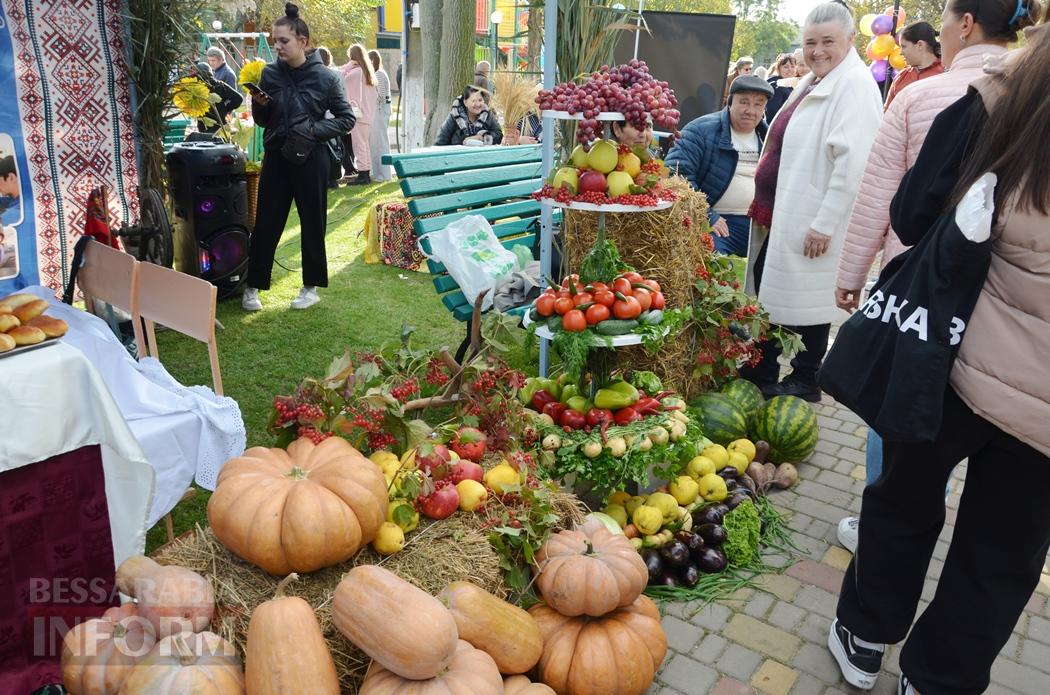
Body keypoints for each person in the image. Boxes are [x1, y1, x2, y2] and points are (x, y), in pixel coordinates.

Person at [829, 19, 1047, 695]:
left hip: (951, 352)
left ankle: (866, 634)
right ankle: (938, 680)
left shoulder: (1004, 94)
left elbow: (915, 210)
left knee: (902, 500)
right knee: (1003, 551)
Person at [833, 0, 1022, 555]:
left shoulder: (919, 96)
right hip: (1006, 309)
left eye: (943, 22)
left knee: (900, 407)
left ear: (965, 24)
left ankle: (883, 524)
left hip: (920, 295)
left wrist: (851, 275)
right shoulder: (1034, 100)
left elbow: (881, 201)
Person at [740, 2, 882, 401]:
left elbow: (853, 164)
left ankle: (806, 378)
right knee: (772, 290)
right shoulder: (817, 79)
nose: (817, 51)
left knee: (811, 301)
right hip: (784, 209)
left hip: (812, 216)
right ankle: (764, 367)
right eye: (810, 43)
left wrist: (825, 222)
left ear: (851, 41)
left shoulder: (853, 85)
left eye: (827, 42)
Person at [241, 2, 355, 312]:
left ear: (302, 41)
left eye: (283, 41)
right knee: (266, 221)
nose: (276, 46)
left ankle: (311, 287)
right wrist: (261, 104)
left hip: (311, 158)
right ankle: (253, 286)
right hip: (277, 156)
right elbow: (263, 120)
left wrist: (313, 130)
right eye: (275, 40)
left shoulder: (328, 78)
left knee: (313, 222)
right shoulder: (268, 74)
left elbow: (347, 119)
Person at [666, 75, 773, 256]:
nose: (750, 110)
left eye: (758, 104)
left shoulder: (770, 138)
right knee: (711, 260)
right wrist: (707, 215)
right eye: (744, 102)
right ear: (729, 103)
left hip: (760, 223)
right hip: (718, 221)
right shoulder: (699, 130)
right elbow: (676, 174)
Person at [883, 22, 944, 109]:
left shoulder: (947, 73)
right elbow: (887, 114)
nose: (900, 52)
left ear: (920, 45)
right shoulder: (900, 78)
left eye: (904, 46)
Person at [340, 44, 378, 185]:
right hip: (367, 114)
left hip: (358, 114)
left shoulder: (355, 72)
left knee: (359, 146)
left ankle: (363, 175)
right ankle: (365, 172)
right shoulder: (368, 72)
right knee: (364, 145)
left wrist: (349, 65)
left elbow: (341, 78)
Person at [434, 85, 503, 146]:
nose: (478, 104)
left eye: (480, 100)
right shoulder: (454, 116)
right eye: (474, 101)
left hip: (482, 157)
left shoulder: (487, 115)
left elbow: (499, 135)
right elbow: (440, 142)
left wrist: (480, 137)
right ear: (465, 102)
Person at [194, 62, 243, 135]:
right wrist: (225, 108)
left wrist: (226, 108)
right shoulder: (219, 85)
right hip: (220, 126)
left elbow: (238, 99)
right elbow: (238, 99)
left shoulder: (196, 89)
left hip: (204, 128)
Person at [368, 50, 393, 182]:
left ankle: (382, 174)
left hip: (380, 111)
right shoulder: (381, 73)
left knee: (379, 144)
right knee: (378, 143)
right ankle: (379, 173)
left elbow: (380, 96)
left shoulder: (378, 74)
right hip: (381, 111)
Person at [766, 49, 804, 121]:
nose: (790, 69)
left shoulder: (794, 85)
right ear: (778, 70)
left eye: (792, 66)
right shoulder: (776, 87)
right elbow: (773, 113)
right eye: (786, 67)